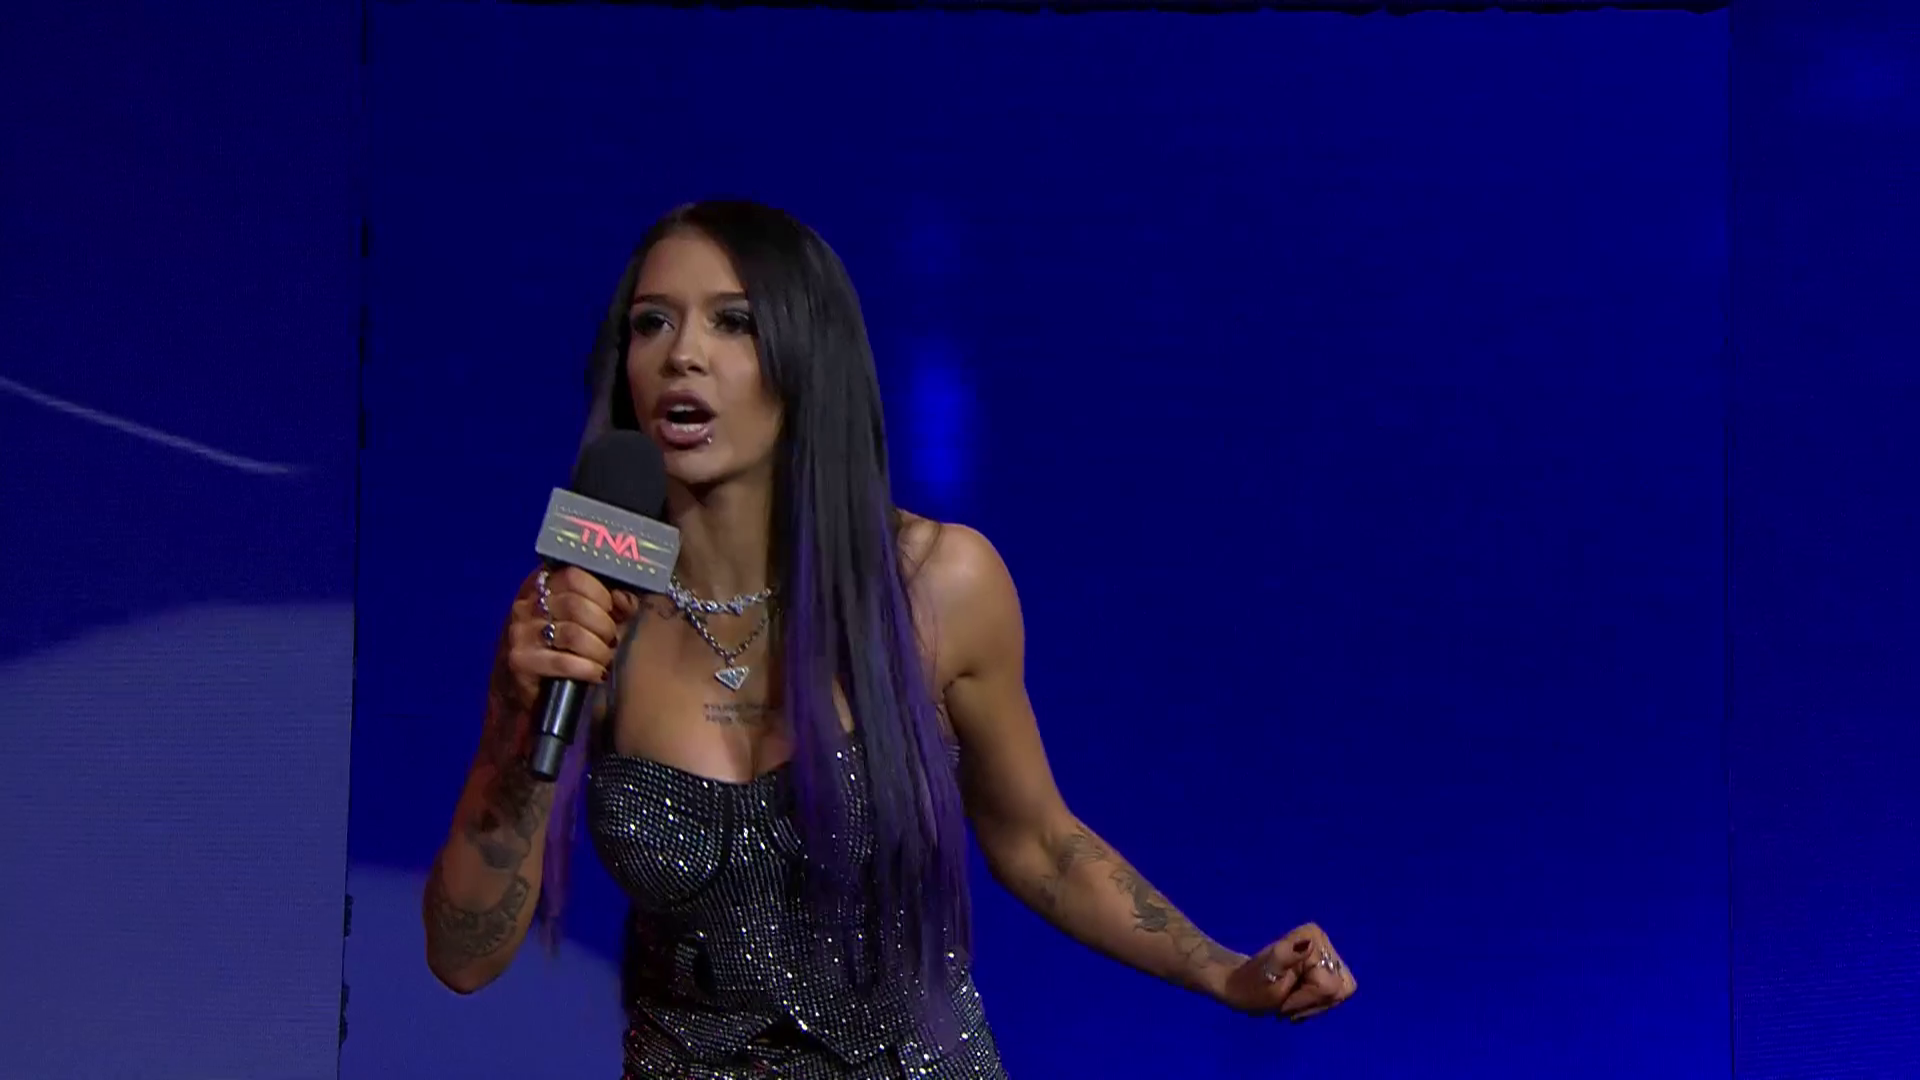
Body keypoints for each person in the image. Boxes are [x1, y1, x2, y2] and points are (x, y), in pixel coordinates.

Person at [421, 200, 1357, 1078]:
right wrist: (512, 726)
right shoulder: (585, 609)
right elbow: (463, 959)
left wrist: (1224, 971)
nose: (683, 355)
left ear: (807, 357)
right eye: (652, 323)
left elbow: (1039, 842)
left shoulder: (939, 583)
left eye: (734, 322)